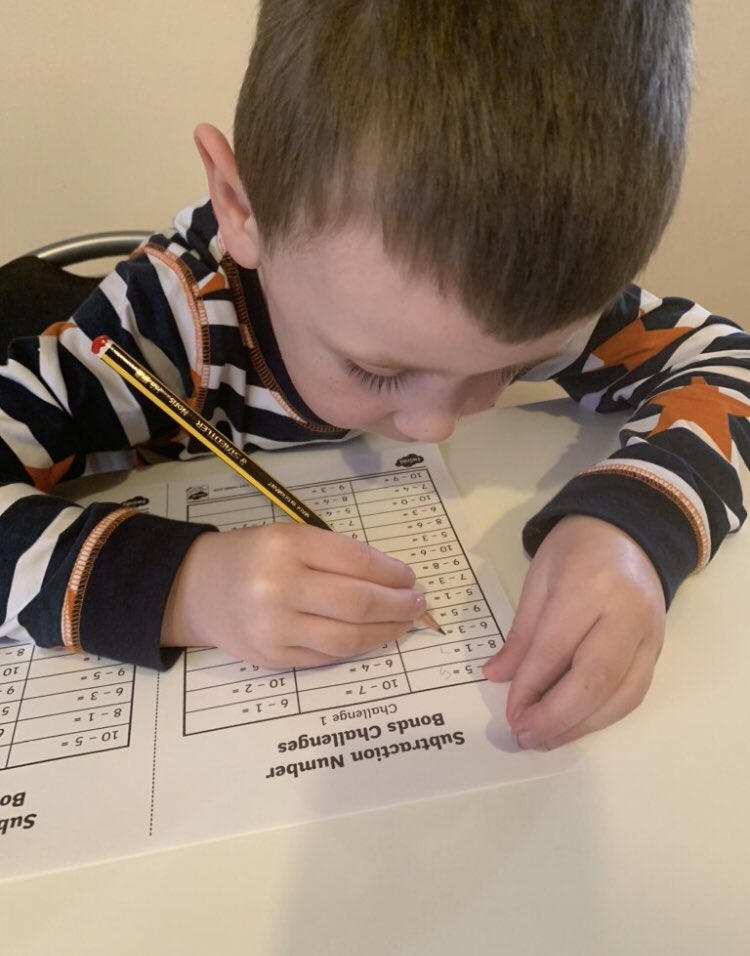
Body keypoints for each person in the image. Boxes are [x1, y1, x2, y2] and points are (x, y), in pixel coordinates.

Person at [1, 1, 747, 751]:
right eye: (376, 368)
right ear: (242, 209)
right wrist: (187, 586)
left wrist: (632, 530)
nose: (436, 426)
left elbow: (731, 360)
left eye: (511, 367)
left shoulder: (526, 291)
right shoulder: (163, 323)